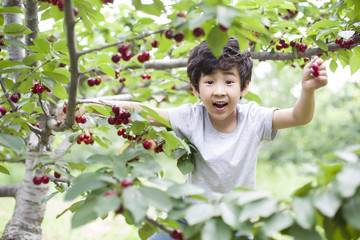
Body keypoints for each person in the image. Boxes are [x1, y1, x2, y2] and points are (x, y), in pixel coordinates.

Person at [63, 37, 328, 239]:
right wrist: (91, 102)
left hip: (235, 222)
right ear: (195, 89)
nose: (219, 91)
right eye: (209, 82)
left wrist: (307, 91)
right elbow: (142, 111)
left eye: (229, 81)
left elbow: (298, 117)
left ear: (245, 87)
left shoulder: (254, 118)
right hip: (188, 217)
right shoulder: (191, 117)